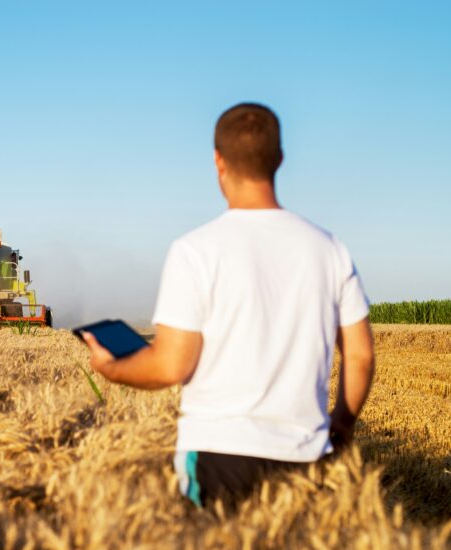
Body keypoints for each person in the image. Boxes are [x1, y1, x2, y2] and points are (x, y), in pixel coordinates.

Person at [82, 103, 375, 509]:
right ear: (280, 159)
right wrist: (341, 426)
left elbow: (173, 365)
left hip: (218, 454)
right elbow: (359, 355)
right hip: (304, 454)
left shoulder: (194, 250)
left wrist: (111, 367)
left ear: (218, 161)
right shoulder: (329, 249)